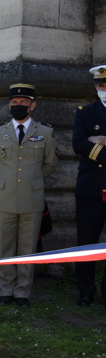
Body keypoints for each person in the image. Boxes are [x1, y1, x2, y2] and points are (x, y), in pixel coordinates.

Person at [0, 83, 58, 308]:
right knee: (5, 247)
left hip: (31, 198)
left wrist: (31, 181)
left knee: (27, 248)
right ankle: (5, 290)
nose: (18, 106)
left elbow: (50, 164)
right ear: (9, 105)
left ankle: (23, 292)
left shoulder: (45, 132)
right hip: (4, 198)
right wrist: (6, 181)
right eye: (14, 103)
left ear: (32, 105)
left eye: (23, 103)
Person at [72, 65, 106, 308]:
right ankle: (86, 290)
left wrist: (99, 142)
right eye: (100, 85)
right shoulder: (85, 112)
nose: (103, 89)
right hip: (90, 189)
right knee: (86, 242)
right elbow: (78, 145)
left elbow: (88, 145)